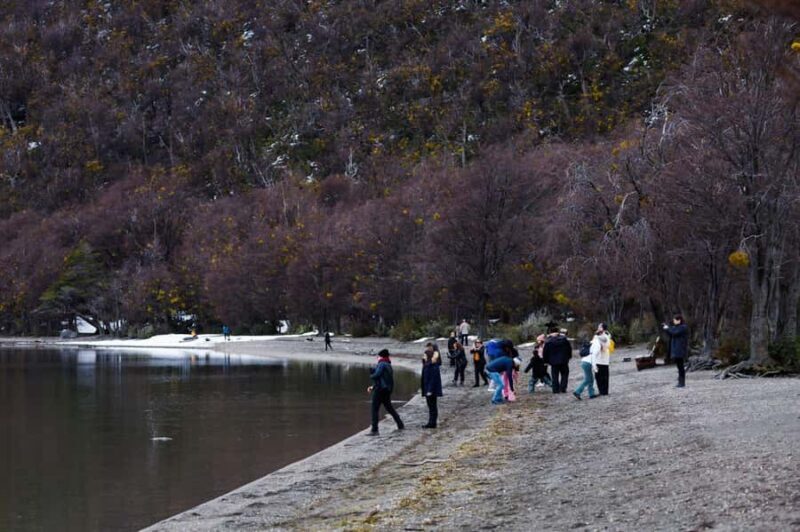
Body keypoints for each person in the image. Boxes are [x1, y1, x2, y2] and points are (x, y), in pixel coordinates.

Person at [367, 349, 404, 435]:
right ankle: (400, 424)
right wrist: (372, 387)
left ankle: (374, 430)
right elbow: (383, 379)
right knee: (389, 408)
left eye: (378, 356)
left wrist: (371, 374)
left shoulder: (382, 364)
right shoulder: (388, 364)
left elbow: (377, 375)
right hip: (386, 390)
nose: (377, 358)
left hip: (380, 390)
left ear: (381, 356)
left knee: (374, 409)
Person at [542, 327, 572, 393]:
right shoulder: (564, 339)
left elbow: (545, 352)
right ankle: (563, 388)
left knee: (555, 376)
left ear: (550, 332)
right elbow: (569, 349)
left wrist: (545, 361)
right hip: (564, 360)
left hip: (553, 362)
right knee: (564, 374)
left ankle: (555, 389)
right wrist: (569, 357)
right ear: (558, 332)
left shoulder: (548, 341)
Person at [663, 314, 689, 388]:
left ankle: (682, 383)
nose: (673, 321)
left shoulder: (683, 327)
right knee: (679, 366)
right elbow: (671, 333)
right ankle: (680, 382)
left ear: (679, 320)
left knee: (681, 367)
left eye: (675, 320)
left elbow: (674, 333)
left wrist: (667, 329)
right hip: (676, 350)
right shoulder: (677, 327)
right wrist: (667, 329)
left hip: (680, 349)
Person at [421, 343, 443, 428]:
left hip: (431, 389)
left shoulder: (432, 365)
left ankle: (432, 423)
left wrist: (429, 390)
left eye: (425, 355)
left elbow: (433, 378)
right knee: (431, 406)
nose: (424, 356)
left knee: (432, 406)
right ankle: (431, 422)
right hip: (428, 388)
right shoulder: (428, 364)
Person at [592, 323, 612, 395]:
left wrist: (596, 337)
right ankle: (601, 391)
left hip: (603, 360)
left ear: (603, 328)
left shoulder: (606, 336)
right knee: (598, 377)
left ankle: (604, 391)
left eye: (599, 327)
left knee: (604, 377)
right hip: (598, 360)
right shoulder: (597, 336)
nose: (598, 328)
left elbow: (605, 346)